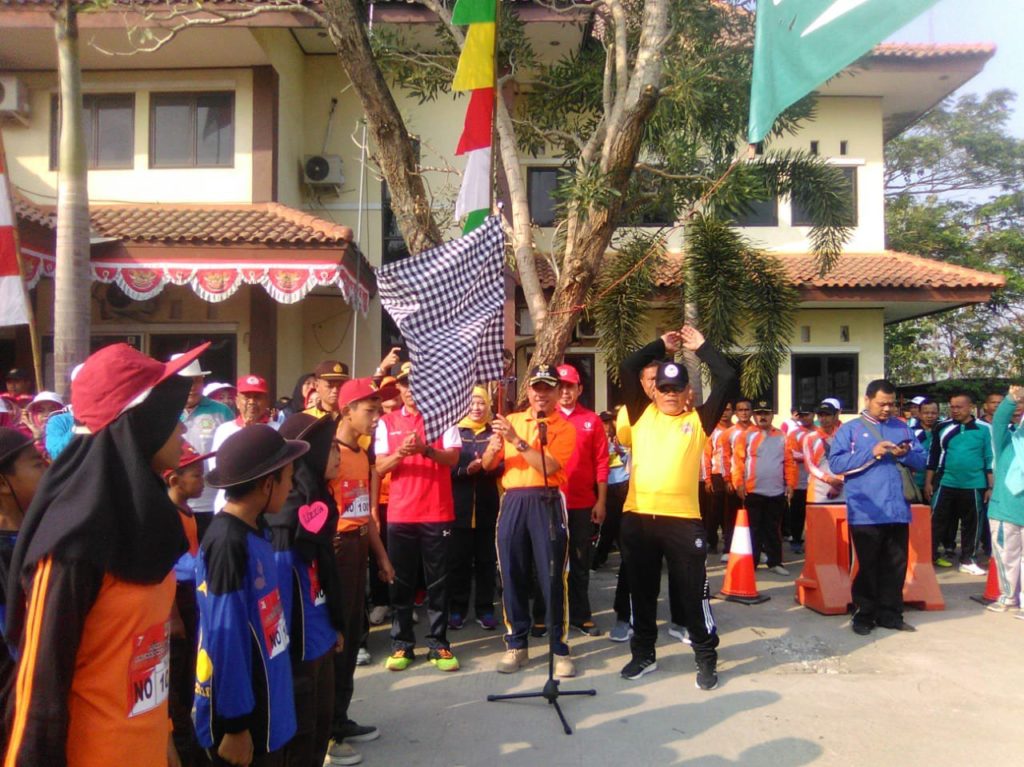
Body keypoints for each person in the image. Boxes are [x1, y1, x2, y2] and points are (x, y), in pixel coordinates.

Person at [3, 341, 207, 766]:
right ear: (140, 422)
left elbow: (145, 657)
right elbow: (36, 695)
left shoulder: (149, 523)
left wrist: (165, 738)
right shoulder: (71, 545)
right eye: (174, 418)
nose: (183, 430)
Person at [615, 326, 737, 689]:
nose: (669, 395)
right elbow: (626, 366)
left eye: (676, 389)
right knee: (641, 590)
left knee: (692, 592)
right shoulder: (639, 414)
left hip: (683, 522)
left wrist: (701, 347)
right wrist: (660, 346)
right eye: (663, 388)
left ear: (688, 392)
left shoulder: (698, 421)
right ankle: (643, 655)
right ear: (654, 391)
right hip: (638, 519)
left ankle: (705, 657)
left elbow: (728, 376)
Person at [194, 425, 307, 766]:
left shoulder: (257, 528)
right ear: (266, 483)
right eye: (288, 478)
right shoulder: (228, 543)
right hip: (247, 721)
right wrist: (236, 726)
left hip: (270, 705)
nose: (291, 487)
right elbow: (225, 638)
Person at [481, 364, 577, 678]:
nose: (541, 394)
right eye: (537, 387)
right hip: (513, 500)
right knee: (512, 573)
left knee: (552, 576)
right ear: (529, 390)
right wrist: (493, 450)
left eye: (548, 388)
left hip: (546, 500)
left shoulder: (564, 426)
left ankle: (559, 647)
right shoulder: (511, 420)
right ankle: (516, 644)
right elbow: (487, 464)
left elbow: (549, 467)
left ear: (556, 392)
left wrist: (518, 442)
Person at [375, 362, 461, 673]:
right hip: (401, 514)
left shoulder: (444, 418)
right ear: (398, 387)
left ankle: (438, 643)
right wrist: (402, 452)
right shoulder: (386, 421)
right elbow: (380, 467)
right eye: (406, 384)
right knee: (401, 581)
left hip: (437, 513)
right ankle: (402, 644)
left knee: (438, 581)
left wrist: (425, 450)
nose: (411, 390)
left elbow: (452, 458)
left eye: (418, 383)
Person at [327, 377, 395, 763]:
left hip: (357, 551)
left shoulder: (364, 455)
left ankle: (341, 716)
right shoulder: (327, 454)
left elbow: (364, 513)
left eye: (379, 410)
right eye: (370, 410)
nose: (376, 418)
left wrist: (382, 557)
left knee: (353, 636)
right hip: (333, 552)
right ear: (347, 410)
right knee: (333, 638)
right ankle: (327, 733)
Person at [273, 414, 347, 767]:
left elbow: (324, 575)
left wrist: (335, 626)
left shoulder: (319, 502)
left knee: (319, 729)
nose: (337, 455)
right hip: (296, 651)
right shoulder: (283, 520)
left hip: (321, 637)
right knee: (300, 738)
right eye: (328, 447)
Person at [829, 379, 926, 636]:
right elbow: (837, 464)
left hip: (897, 509)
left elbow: (922, 458)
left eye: (891, 404)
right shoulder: (850, 430)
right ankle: (864, 614)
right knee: (868, 564)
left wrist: (904, 453)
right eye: (882, 404)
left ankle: (891, 614)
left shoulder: (902, 427)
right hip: (866, 509)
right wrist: (872, 452)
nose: (887, 409)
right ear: (867, 400)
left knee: (896, 564)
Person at [163, 441, 213, 767]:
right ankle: (184, 747)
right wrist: (176, 616)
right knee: (176, 685)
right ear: (174, 480)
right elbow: (162, 569)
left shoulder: (188, 510)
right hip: (176, 599)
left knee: (185, 679)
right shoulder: (165, 518)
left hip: (190, 594)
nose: (203, 480)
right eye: (196, 475)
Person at [0, 427, 46, 753]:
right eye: (36, 463)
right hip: (14, 709)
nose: (48, 470)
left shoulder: (42, 535)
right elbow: (17, 639)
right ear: (3, 483)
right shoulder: (5, 554)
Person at [554, 363, 608, 635]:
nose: (565, 392)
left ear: (579, 389)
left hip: (582, 503)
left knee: (580, 561)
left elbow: (601, 462)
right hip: (550, 503)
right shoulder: (544, 418)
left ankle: (580, 614)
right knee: (551, 561)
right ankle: (550, 616)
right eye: (560, 386)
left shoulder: (592, 420)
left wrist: (601, 501)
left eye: (570, 387)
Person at [449, 386, 502, 631]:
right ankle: (457, 608)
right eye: (472, 403)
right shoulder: (454, 431)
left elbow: (505, 466)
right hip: (457, 507)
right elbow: (445, 468)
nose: (477, 408)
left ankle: (485, 609)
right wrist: (464, 470)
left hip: (487, 506)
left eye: (481, 403)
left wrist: (489, 465)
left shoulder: (495, 432)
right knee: (458, 561)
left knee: (486, 561)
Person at [924, 392, 993, 574]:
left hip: (974, 484)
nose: (955, 410)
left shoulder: (984, 429)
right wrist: (928, 482)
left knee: (972, 524)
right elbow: (933, 455)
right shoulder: (942, 427)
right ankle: (926, 558)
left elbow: (989, 458)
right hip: (946, 482)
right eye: (952, 407)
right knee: (936, 521)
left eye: (959, 407)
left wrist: (990, 486)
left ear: (970, 407)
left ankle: (968, 560)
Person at [732, 400, 796, 575]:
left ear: (772, 415)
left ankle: (775, 562)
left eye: (766, 413)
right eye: (759, 413)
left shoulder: (782, 436)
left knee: (773, 528)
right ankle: (750, 564)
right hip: (754, 491)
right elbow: (738, 462)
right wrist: (738, 483)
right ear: (754, 415)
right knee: (753, 529)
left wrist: (790, 484)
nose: (762, 417)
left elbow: (789, 463)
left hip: (776, 491)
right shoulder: (746, 436)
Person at [176, 354, 233, 538]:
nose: (192, 388)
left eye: (197, 381)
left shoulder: (221, 411)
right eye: (186, 382)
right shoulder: (163, 411)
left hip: (210, 502)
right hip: (173, 502)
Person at [211, 375, 277, 513]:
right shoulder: (224, 430)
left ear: (267, 401)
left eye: (257, 397)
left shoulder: (278, 429)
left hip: (267, 507)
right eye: (247, 397)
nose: (252, 402)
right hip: (230, 506)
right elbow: (217, 469)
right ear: (237, 401)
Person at [986, 386, 1024, 613]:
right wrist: (1011, 399)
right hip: (1004, 511)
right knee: (1006, 556)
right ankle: (1008, 597)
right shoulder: (1005, 442)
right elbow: (999, 421)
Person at [720, 398, 754, 562]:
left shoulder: (758, 431)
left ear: (751, 412)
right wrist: (727, 479)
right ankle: (728, 548)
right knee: (731, 516)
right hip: (735, 480)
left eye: (747, 409)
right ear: (736, 413)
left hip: (754, 481)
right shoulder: (729, 433)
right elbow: (724, 458)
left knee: (753, 517)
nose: (744, 413)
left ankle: (755, 549)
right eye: (740, 410)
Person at [702, 403, 735, 557]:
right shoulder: (712, 431)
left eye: (728, 410)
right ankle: (711, 541)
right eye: (722, 409)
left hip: (734, 476)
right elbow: (706, 456)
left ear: (732, 412)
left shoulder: (738, 431)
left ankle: (729, 544)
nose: (724, 413)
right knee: (713, 512)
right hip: (716, 476)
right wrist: (707, 479)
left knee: (730, 512)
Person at [784, 405, 815, 555]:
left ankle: (816, 541)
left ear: (814, 415)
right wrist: (812, 458)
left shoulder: (820, 433)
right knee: (797, 513)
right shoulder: (794, 434)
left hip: (817, 483)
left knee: (816, 514)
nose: (804, 418)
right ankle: (796, 540)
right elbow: (792, 455)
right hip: (799, 481)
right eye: (801, 415)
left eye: (807, 414)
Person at [804, 399, 845, 504]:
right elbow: (810, 466)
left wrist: (839, 482)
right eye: (820, 415)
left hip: (842, 491)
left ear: (835, 416)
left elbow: (849, 461)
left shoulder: (844, 436)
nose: (823, 419)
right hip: (817, 493)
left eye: (827, 415)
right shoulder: (810, 438)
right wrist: (829, 480)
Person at [911, 398, 939, 496]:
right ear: (919, 413)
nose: (930, 416)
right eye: (926, 413)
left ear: (938, 414)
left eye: (933, 413)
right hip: (915, 483)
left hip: (937, 482)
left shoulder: (942, 432)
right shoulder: (911, 433)